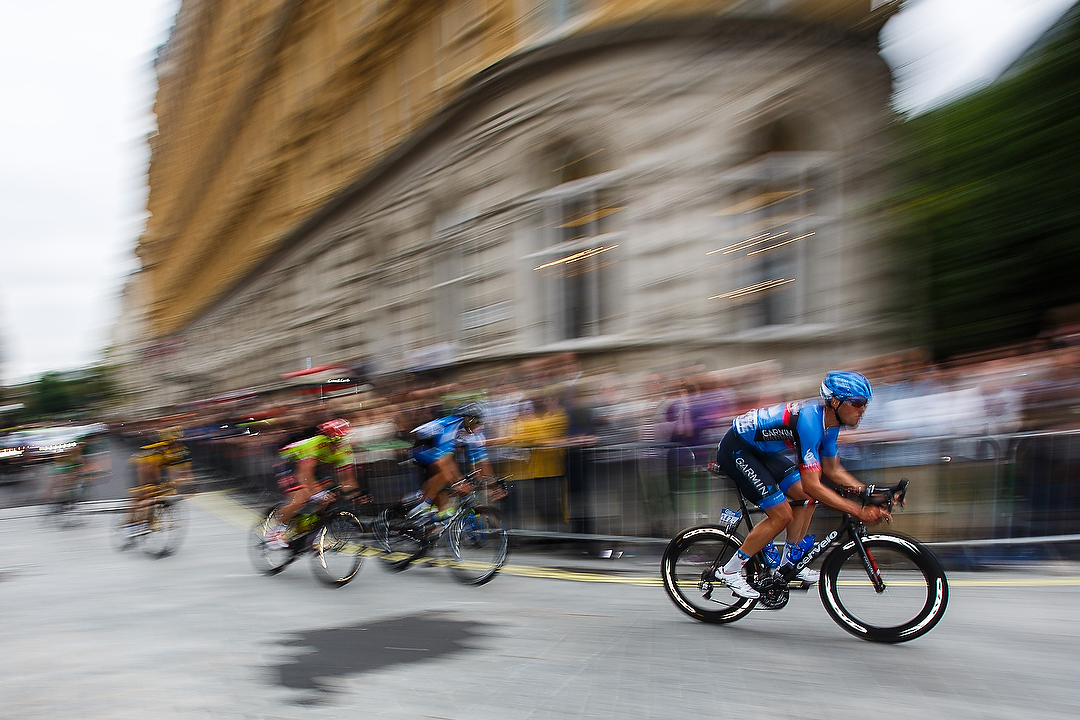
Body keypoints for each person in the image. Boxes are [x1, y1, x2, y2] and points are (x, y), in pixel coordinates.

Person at [712, 371, 891, 599]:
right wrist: (857, 510)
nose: (862, 410)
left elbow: (832, 469)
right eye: (858, 403)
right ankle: (730, 570)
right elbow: (813, 484)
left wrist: (869, 493)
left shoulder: (830, 424)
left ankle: (788, 563)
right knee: (782, 514)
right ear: (835, 402)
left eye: (865, 404)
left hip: (761, 451)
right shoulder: (809, 422)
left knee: (806, 500)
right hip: (737, 449)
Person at [265, 418, 360, 548]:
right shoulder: (317, 443)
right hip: (290, 463)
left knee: (330, 494)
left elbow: (348, 479)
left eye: (344, 439)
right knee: (300, 497)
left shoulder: (345, 449)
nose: (341, 444)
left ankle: (310, 530)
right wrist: (317, 492)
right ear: (329, 438)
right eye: (338, 440)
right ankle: (277, 531)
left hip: (315, 468)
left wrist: (358, 496)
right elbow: (304, 473)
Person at [408, 402, 494, 525]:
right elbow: (444, 461)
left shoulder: (474, 433)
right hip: (422, 448)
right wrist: (458, 482)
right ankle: (424, 505)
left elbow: (482, 462)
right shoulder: (452, 425)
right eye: (479, 422)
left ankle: (427, 535)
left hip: (438, 452)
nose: (481, 426)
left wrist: (493, 483)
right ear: (467, 419)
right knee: (445, 473)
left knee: (441, 506)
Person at [125, 427, 192, 536]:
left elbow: (179, 469)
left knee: (161, 492)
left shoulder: (178, 450)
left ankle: (149, 519)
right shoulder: (155, 450)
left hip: (156, 469)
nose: (176, 444)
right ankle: (129, 525)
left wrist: (183, 481)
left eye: (178, 441)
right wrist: (149, 487)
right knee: (140, 496)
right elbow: (146, 474)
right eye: (173, 442)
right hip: (139, 468)